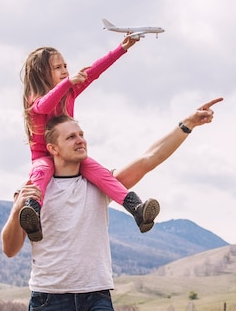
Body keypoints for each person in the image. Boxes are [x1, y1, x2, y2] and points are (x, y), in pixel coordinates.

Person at [1, 97, 222, 311]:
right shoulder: (34, 191)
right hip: (50, 298)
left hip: (96, 296)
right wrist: (17, 207)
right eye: (70, 137)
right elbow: (9, 249)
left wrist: (187, 124)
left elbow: (149, 158)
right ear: (52, 148)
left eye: (81, 134)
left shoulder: (101, 184)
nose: (80, 140)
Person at [19, 37, 159, 242]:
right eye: (58, 67)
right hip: (44, 156)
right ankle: (33, 216)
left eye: (65, 65)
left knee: (102, 174)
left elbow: (94, 72)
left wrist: (121, 49)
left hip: (70, 155)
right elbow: (46, 106)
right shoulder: (36, 99)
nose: (65, 70)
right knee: (41, 173)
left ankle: (137, 210)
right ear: (42, 74)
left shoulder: (70, 91)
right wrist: (67, 83)